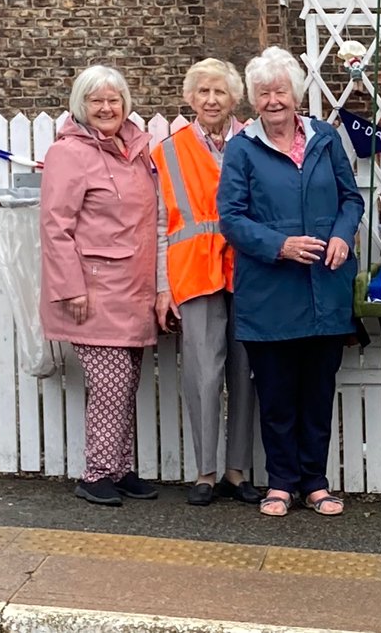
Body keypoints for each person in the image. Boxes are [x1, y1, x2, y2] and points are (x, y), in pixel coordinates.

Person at [218, 46, 365, 517]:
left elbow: (351, 199)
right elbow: (232, 219)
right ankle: (281, 483)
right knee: (278, 396)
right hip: (271, 292)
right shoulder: (242, 148)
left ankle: (316, 483)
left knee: (317, 393)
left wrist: (342, 235)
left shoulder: (324, 139)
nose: (273, 100)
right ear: (254, 100)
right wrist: (281, 246)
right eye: (264, 93)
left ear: (295, 93)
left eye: (280, 90)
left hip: (325, 287)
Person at [39, 65, 160, 506]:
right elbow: (56, 226)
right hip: (92, 291)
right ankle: (95, 474)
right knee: (109, 387)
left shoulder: (137, 148)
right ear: (81, 106)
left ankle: (118, 468)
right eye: (96, 101)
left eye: (114, 99)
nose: (107, 108)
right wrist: (70, 288)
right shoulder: (68, 153)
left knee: (125, 384)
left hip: (133, 290)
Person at [152, 59, 260, 507]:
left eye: (219, 92)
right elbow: (160, 224)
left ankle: (236, 472)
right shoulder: (169, 150)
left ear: (235, 99)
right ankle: (204, 472)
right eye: (203, 92)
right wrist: (162, 286)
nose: (211, 100)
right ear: (189, 98)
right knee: (202, 374)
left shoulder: (254, 143)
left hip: (250, 272)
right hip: (194, 273)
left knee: (245, 372)